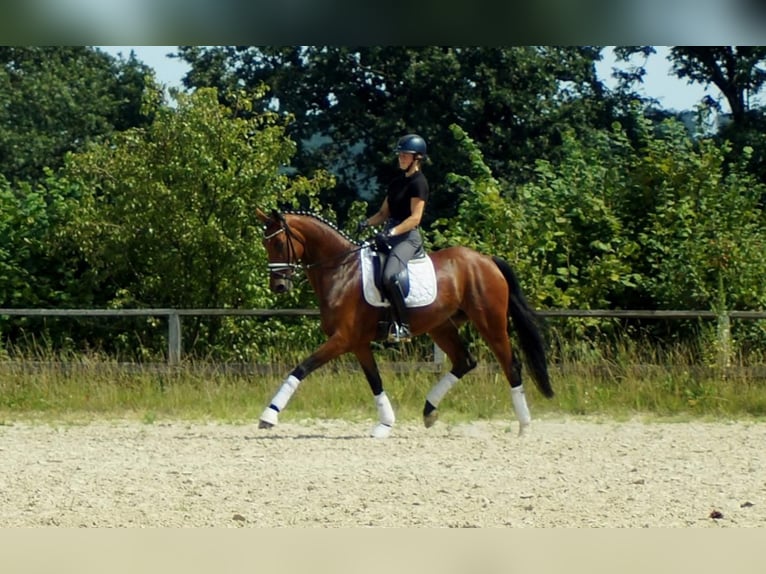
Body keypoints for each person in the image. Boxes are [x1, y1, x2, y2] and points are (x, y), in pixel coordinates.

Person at [357, 133, 429, 343]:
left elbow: (415, 218)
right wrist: (366, 223)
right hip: (390, 234)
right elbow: (382, 214)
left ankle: (403, 326)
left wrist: (392, 232)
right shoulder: (396, 182)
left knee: (389, 276)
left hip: (407, 238)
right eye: (400, 155)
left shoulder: (419, 183)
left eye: (405, 155)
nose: (400, 158)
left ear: (417, 158)